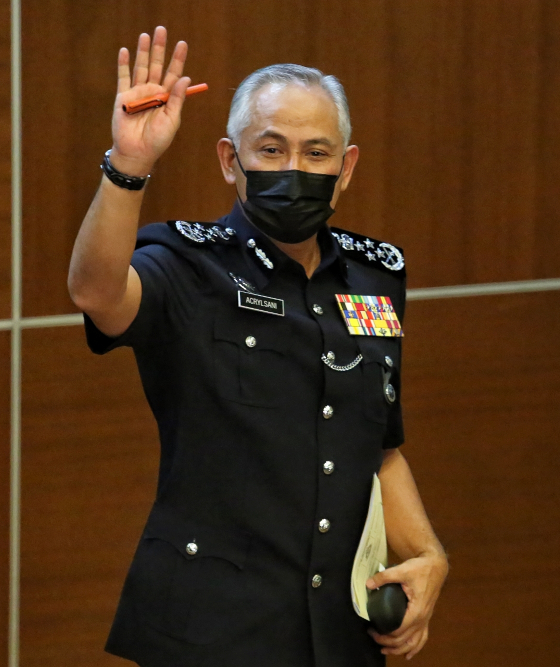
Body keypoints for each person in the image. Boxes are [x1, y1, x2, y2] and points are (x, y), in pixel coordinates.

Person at [67, 25, 448, 667]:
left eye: (316, 153)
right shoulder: (188, 264)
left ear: (346, 167)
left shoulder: (375, 275)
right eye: (270, 150)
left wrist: (428, 555)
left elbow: (378, 444)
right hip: (213, 632)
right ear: (230, 160)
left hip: (337, 631)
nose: (293, 171)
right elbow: (97, 293)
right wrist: (128, 166)